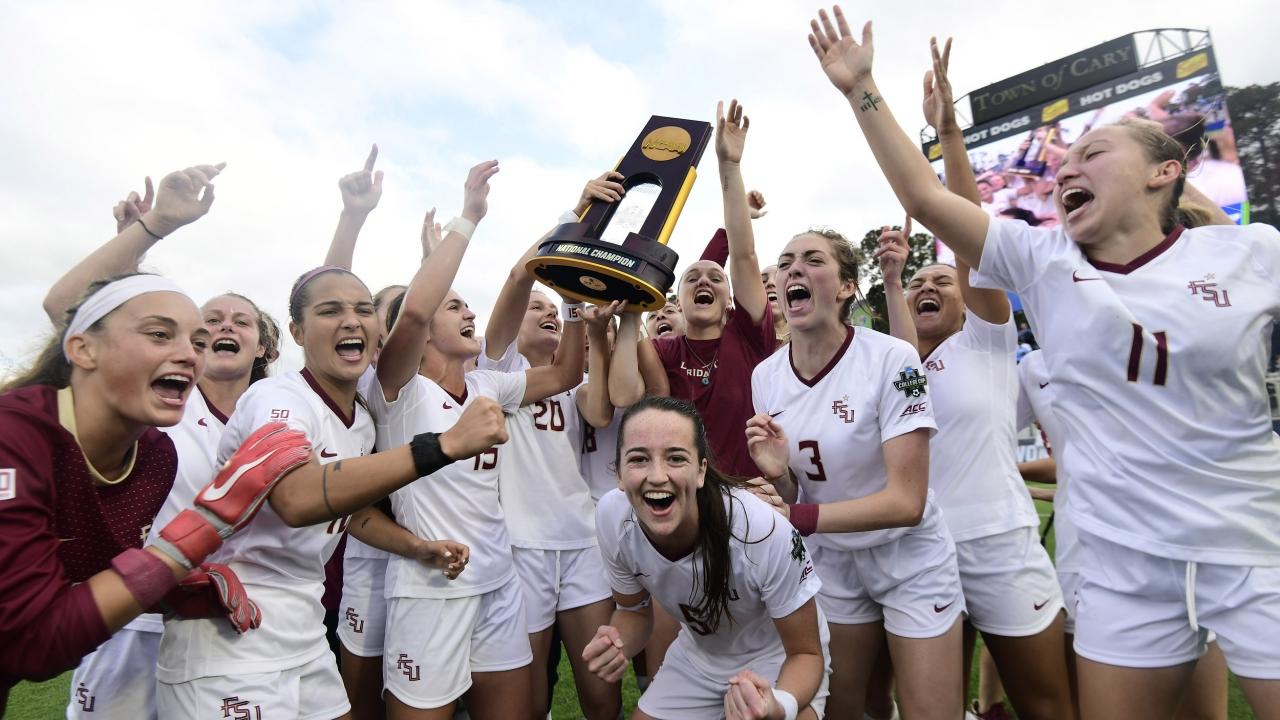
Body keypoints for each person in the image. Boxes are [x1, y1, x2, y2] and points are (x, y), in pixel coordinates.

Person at [803, 7, 1280, 716]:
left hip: (1253, 551)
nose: (1067, 168)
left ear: (1165, 172)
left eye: (1094, 152)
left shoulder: (1252, 253)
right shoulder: (1046, 261)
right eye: (1064, 164)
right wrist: (861, 89)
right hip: (1124, 570)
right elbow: (925, 198)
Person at [49, 171, 283, 720]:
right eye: (210, 321)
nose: (224, 327)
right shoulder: (158, 401)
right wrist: (144, 235)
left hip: (229, 624)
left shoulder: (278, 414)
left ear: (264, 345)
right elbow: (77, 316)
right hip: (132, 617)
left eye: (241, 321)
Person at [884, 39, 1070, 720]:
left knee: (1045, 705)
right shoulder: (899, 366)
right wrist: (894, 278)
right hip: (921, 549)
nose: (930, 287)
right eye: (920, 284)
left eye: (944, 279)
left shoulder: (987, 342)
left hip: (998, 543)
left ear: (968, 297)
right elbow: (899, 346)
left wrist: (949, 135)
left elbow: (971, 233)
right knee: (932, 709)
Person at [371, 161, 596, 720]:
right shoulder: (398, 391)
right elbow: (415, 309)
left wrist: (571, 301)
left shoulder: (487, 385)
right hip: (431, 588)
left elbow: (566, 374)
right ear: (422, 332)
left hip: (498, 582)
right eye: (455, 306)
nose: (470, 311)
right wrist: (469, 216)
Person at [744, 218, 964, 720]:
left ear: (846, 287)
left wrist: (795, 515)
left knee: (930, 712)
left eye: (812, 260)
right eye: (785, 263)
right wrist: (779, 475)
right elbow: (795, 489)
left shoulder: (895, 358)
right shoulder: (766, 376)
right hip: (833, 561)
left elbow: (906, 504)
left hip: (909, 557)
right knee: (847, 707)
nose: (793, 269)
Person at [477, 171, 628, 720]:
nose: (544, 311)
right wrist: (575, 217)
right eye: (534, 308)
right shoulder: (497, 371)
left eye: (552, 309)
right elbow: (520, 277)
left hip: (581, 540)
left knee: (601, 688)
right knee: (530, 686)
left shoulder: (572, 380)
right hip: (520, 546)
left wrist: (576, 306)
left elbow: (601, 409)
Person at [584, 396, 829, 719]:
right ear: (618, 472)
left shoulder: (760, 529)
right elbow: (634, 613)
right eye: (639, 459)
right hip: (699, 659)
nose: (657, 476)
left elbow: (806, 654)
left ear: (701, 471)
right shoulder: (612, 517)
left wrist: (777, 706)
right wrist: (617, 644)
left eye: (675, 458)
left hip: (779, 658)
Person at [1016, 349, 1229, 720]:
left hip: (1176, 551)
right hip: (1082, 558)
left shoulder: (1160, 340)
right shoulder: (1033, 366)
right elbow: (983, 429)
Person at [610, 99, 775, 481]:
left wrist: (729, 166)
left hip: (752, 494)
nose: (703, 281)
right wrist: (632, 309)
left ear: (731, 301)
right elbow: (623, 396)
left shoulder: (750, 336)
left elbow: (744, 256)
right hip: (690, 497)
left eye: (717, 280)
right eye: (691, 279)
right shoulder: (663, 350)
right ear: (677, 303)